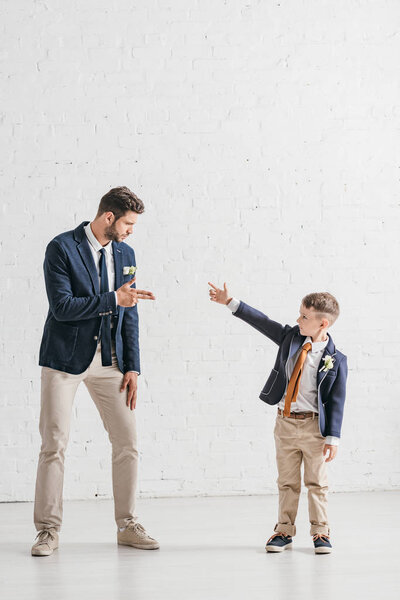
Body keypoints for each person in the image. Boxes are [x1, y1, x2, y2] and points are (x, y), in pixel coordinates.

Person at [32, 186, 159, 556]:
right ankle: (48, 531)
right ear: (109, 218)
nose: (131, 230)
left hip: (111, 362)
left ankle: (127, 524)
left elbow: (130, 312)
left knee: (127, 443)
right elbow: (62, 308)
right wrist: (112, 299)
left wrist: (132, 366)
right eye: (128, 223)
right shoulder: (61, 248)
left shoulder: (126, 253)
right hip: (64, 359)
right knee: (54, 444)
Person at [208, 282, 348, 554]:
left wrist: (333, 437)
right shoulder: (290, 338)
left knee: (317, 482)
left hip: (314, 428)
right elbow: (262, 321)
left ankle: (320, 532)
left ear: (323, 323)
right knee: (287, 481)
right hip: (285, 423)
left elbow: (338, 400)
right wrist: (230, 302)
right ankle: (284, 530)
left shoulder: (337, 359)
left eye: (304, 317)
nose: (298, 320)